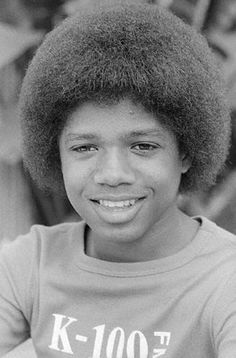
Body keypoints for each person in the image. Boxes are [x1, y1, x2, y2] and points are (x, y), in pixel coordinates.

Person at [0, 2, 235, 357]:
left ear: (185, 152)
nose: (112, 175)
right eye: (84, 148)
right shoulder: (29, 264)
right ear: (55, 153)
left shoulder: (225, 280)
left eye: (142, 146)